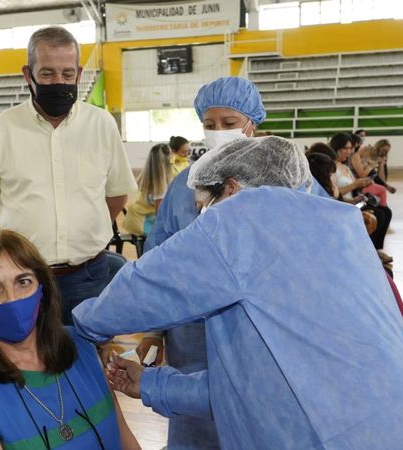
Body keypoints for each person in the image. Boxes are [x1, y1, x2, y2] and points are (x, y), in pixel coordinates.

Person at [73, 136, 403, 450]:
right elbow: (254, 388)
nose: (200, 217)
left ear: (230, 190)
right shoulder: (336, 227)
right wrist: (151, 385)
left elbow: (140, 289)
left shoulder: (241, 220)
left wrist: (78, 327)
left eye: (203, 203)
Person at [0, 26, 136, 325]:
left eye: (67, 74)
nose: (59, 82)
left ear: (79, 74)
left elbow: (116, 194)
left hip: (88, 274)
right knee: (30, 360)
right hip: (21, 278)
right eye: (47, 74)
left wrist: (83, 234)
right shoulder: (0, 129)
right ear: (28, 74)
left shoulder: (102, 125)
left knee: (87, 354)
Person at [138, 76, 269, 450]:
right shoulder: (185, 186)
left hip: (259, 333)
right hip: (191, 334)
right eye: (210, 125)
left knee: (255, 417)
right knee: (193, 423)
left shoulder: (282, 181)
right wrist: (154, 329)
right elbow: (158, 260)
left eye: (229, 124)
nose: (218, 133)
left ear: (251, 124)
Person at [0, 230, 140, 449]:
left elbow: (125, 439)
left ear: (42, 289)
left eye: (23, 282)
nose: (12, 299)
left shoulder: (82, 346)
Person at [330, 132, 391, 249]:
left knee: (386, 212)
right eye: (346, 148)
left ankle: (377, 249)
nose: (349, 151)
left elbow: (357, 186)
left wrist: (364, 183)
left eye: (350, 148)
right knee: (379, 214)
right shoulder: (332, 168)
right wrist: (355, 184)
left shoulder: (345, 167)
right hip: (344, 204)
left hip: (353, 201)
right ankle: (370, 250)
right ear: (337, 148)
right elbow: (334, 193)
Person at [123, 143, 173, 236]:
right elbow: (160, 214)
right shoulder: (160, 185)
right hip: (143, 223)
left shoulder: (149, 178)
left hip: (135, 218)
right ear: (167, 159)